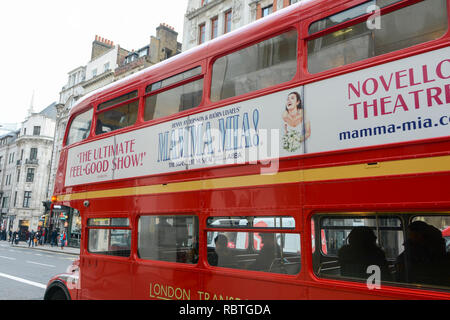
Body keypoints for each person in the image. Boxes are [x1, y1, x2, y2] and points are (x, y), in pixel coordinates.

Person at [395, 221, 450, 286]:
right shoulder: (438, 250)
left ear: (419, 235)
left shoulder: (415, 252)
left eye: (410, 233)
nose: (409, 236)